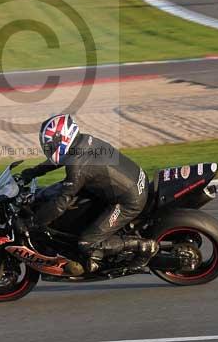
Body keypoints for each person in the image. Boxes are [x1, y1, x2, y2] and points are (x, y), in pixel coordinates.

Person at [18, 114, 159, 272]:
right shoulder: (83, 141)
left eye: (51, 145)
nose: (49, 149)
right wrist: (33, 172)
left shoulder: (77, 167)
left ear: (63, 139)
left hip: (129, 201)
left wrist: (34, 223)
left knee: (87, 243)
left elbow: (60, 204)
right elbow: (62, 158)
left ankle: (144, 246)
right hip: (135, 181)